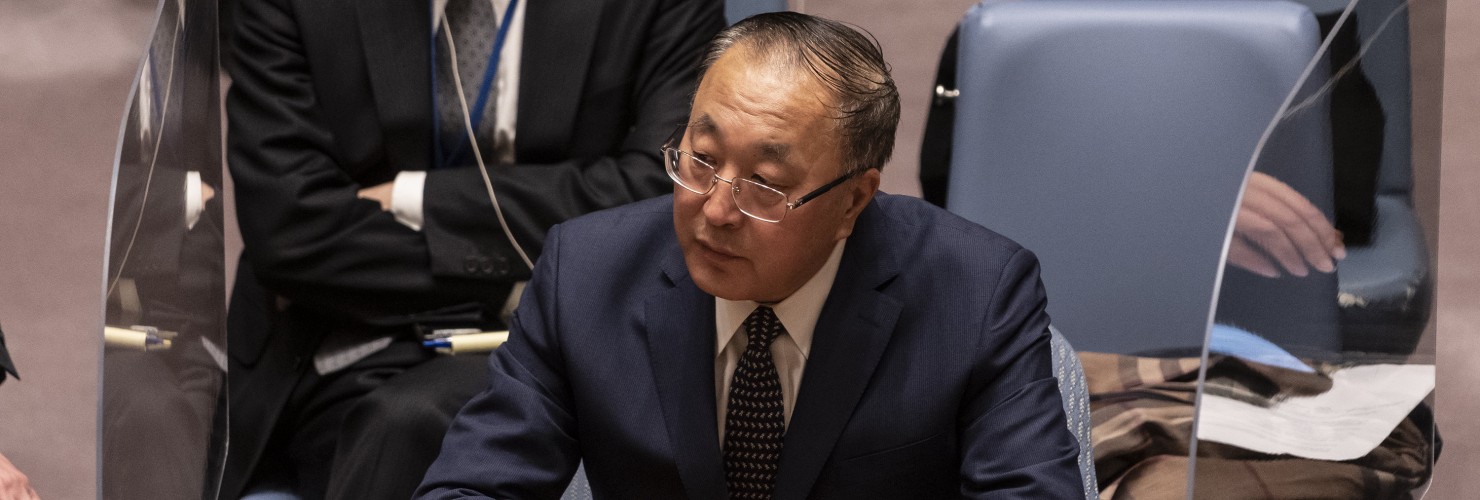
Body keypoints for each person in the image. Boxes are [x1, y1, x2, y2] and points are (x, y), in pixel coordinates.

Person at [416, 12, 1082, 499]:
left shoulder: (978, 293)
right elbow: (475, 485)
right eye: (700, 162)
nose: (715, 210)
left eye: (765, 186)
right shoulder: (585, 275)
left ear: (854, 201)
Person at [221, 0, 725, 497]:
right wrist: (522, 280)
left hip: (577, 337)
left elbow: (664, 191)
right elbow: (289, 227)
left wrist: (414, 197)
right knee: (400, 427)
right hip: (349, 337)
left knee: (424, 420)